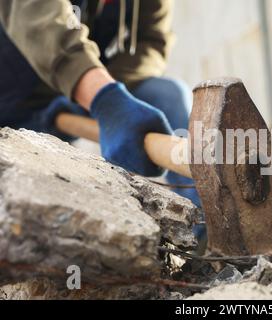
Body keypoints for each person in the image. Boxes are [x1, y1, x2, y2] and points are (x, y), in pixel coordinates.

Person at [0, 0, 202, 210]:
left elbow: (151, 42)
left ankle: (205, 221)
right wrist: (105, 99)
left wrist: (104, 93)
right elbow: (39, 17)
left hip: (81, 98)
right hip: (9, 102)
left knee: (166, 93)